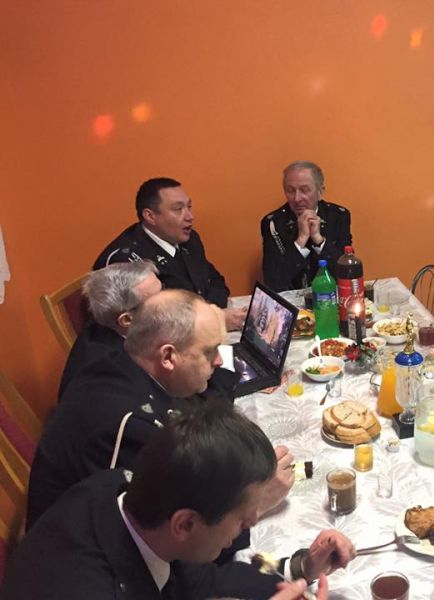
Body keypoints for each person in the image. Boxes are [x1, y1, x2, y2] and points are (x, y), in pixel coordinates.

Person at [1, 400, 355, 600]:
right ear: (185, 524)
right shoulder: (87, 588)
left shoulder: (128, 497)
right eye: (242, 519)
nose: (251, 523)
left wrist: (301, 568)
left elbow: (204, 580)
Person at [28, 290, 295, 530]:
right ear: (167, 357)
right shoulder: (133, 426)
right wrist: (254, 506)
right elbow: (173, 540)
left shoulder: (120, 362)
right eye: (209, 352)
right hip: (78, 553)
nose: (218, 361)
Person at [93, 177, 246, 331]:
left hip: (194, 330)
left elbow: (214, 280)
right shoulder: (125, 261)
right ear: (150, 216)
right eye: (178, 209)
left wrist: (210, 312)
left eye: (189, 207)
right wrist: (212, 320)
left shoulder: (189, 239)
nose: (190, 216)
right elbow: (148, 324)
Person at [58, 260, 162, 399]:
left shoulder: (129, 330)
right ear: (127, 319)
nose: (173, 300)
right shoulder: (111, 374)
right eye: (159, 301)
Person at [261, 161, 352, 291]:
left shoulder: (337, 216)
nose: (297, 198)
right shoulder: (273, 223)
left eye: (304, 190)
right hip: (292, 299)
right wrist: (301, 241)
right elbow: (273, 282)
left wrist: (318, 240)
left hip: (330, 295)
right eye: (290, 191)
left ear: (320, 192)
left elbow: (347, 272)